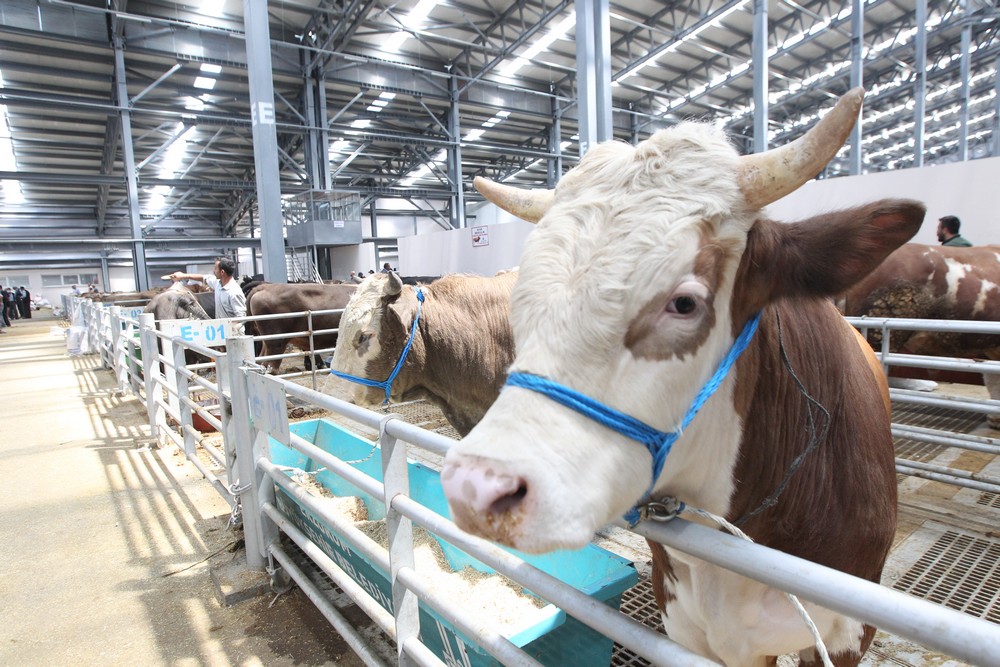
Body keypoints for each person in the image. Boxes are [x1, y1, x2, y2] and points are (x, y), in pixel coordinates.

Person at [162, 257, 247, 319]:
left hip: (234, 335)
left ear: (222, 272)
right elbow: (203, 277)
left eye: (215, 268)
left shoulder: (234, 292)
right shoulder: (218, 283)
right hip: (221, 330)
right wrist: (182, 275)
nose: (214, 271)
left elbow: (241, 316)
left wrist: (232, 327)